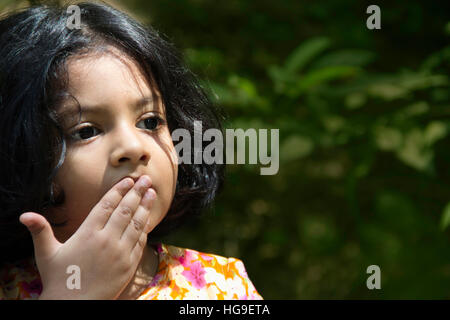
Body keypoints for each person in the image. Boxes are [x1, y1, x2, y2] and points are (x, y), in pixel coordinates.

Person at [0, 1, 262, 300]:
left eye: (150, 122)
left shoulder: (223, 285)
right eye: (86, 131)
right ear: (17, 154)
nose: (134, 147)